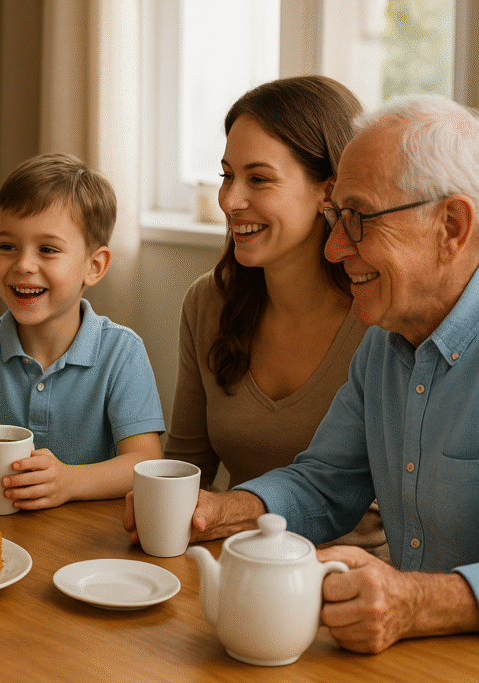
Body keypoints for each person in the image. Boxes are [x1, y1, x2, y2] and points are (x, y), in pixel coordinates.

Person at [129, 96, 479, 653]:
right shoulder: (385, 343)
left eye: (357, 219)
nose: (336, 248)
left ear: (452, 226)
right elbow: (326, 480)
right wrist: (224, 510)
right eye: (336, 218)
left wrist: (418, 602)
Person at [161, 75, 384, 550]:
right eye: (227, 175)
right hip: (234, 561)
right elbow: (185, 472)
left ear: (330, 191)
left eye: (258, 179)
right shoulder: (207, 304)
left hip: (354, 579)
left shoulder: (381, 317)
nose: (229, 200)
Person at [0, 153, 164, 510]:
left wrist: (70, 482)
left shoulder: (122, 353)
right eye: (7, 246)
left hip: (85, 542)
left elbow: (144, 462)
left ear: (94, 266)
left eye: (47, 249)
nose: (23, 265)